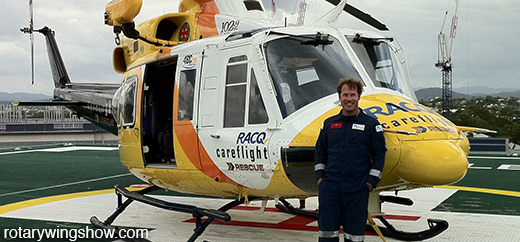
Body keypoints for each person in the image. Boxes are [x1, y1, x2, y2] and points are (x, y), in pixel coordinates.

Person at [314, 77, 386, 242]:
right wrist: (320, 179)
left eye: (352, 95)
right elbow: (320, 152)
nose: (349, 99)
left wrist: (370, 182)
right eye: (345, 95)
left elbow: (379, 154)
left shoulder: (371, 125)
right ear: (339, 97)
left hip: (357, 190)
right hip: (330, 189)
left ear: (359, 97)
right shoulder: (329, 124)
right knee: (326, 235)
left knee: (354, 237)